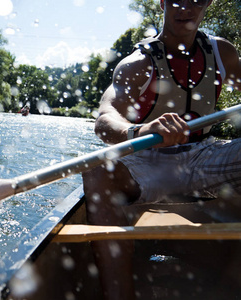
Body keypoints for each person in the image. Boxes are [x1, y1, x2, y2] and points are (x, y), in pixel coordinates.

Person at [82, 0, 241, 299]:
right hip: (148, 162)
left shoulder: (223, 54)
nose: (186, 7)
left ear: (207, 3)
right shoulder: (138, 64)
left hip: (203, 156)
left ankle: (232, 283)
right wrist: (141, 130)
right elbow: (104, 119)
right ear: (162, 3)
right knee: (98, 174)